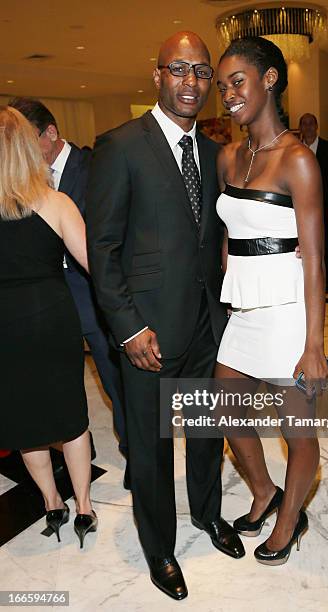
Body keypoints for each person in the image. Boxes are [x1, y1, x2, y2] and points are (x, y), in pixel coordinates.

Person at [86, 32, 244, 601]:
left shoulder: (209, 150)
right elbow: (100, 248)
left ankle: (207, 516)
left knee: (206, 434)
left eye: (201, 72)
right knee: (151, 450)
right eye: (178, 69)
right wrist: (127, 327)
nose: (191, 82)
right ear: (157, 76)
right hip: (147, 332)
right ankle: (160, 549)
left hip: (205, 323)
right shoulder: (121, 145)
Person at [215, 37, 328, 565]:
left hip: (287, 313)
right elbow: (229, 236)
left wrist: (313, 346)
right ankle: (264, 490)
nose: (228, 95)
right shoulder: (229, 157)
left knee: (296, 430)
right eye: (222, 87)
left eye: (238, 81)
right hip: (245, 311)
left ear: (270, 79)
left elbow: (315, 261)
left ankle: (290, 519)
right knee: (225, 408)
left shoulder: (298, 160)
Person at [8, 98, 129, 484]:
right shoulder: (25, 191)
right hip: (46, 307)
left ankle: (133, 451)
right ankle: (75, 458)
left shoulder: (94, 168)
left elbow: (113, 237)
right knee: (50, 390)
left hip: (88, 298)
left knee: (114, 380)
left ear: (51, 134)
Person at [0, 106, 97, 548]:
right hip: (54, 319)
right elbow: (95, 266)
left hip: (7, 327)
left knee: (24, 420)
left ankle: (51, 502)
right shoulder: (56, 202)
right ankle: (84, 508)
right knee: (70, 415)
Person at [299, 113, 328, 293]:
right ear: (300, 127)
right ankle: (305, 280)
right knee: (301, 246)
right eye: (304, 123)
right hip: (299, 209)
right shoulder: (294, 150)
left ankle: (327, 282)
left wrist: (326, 194)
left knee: (325, 245)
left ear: (316, 126)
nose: (308, 126)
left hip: (323, 207)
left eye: (311, 123)